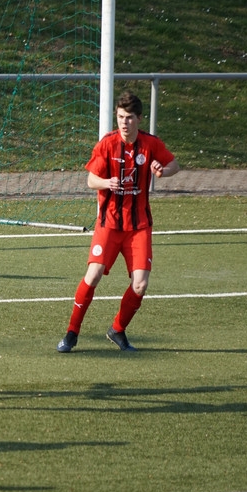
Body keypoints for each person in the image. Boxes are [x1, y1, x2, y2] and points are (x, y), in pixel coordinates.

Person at [57, 90, 179, 354]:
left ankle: (117, 329)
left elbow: (174, 164)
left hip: (139, 226)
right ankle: (71, 333)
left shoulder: (150, 144)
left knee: (140, 284)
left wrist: (163, 170)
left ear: (139, 119)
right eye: (121, 117)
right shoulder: (107, 144)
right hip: (109, 224)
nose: (124, 122)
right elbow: (91, 180)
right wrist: (105, 182)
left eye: (129, 117)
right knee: (93, 275)